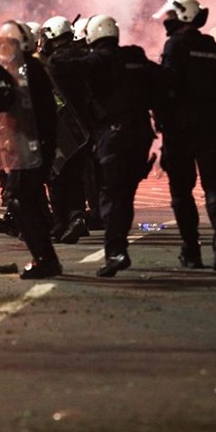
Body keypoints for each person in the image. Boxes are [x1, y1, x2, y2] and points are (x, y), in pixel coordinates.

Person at [55, 15, 164, 277]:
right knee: (125, 194)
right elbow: (164, 80)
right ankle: (118, 247)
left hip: (114, 135)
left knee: (110, 194)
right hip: (141, 134)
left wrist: (47, 56)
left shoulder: (98, 60)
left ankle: (116, 252)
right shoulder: (135, 58)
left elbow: (65, 68)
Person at [153, 0, 216, 271]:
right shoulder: (215, 49)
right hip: (212, 126)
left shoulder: (175, 45)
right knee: (214, 185)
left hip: (180, 130)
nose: (166, 21)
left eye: (170, 16)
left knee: (181, 191)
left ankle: (191, 250)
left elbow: (167, 84)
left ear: (183, 17)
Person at [0, 20, 62, 278]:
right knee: (25, 197)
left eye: (7, 43)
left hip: (32, 145)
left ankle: (45, 259)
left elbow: (24, 110)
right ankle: (45, 257)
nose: (3, 48)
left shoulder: (26, 70)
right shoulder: (30, 68)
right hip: (33, 143)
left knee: (21, 198)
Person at [41, 15, 93, 245]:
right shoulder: (86, 57)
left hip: (60, 126)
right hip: (85, 127)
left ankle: (64, 220)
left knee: (57, 175)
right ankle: (76, 216)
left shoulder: (53, 63)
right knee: (77, 174)